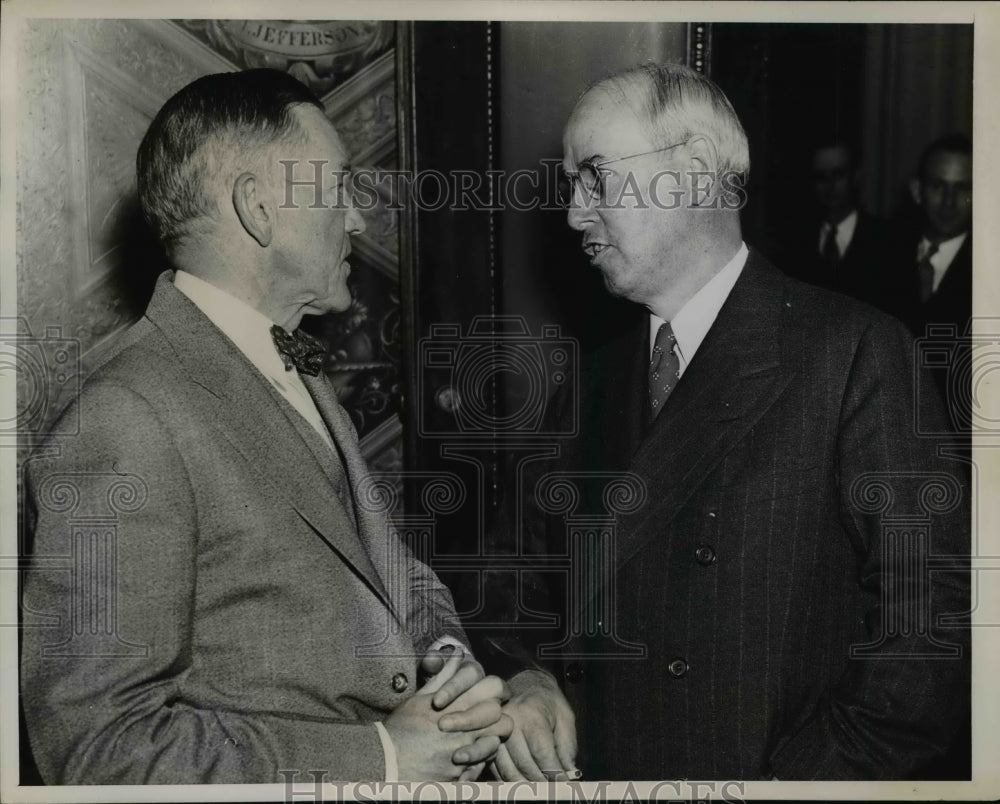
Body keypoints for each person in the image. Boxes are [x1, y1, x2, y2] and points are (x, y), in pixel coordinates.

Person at [20, 69, 515, 785]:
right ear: (257, 208)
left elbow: (388, 570)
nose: (356, 219)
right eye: (336, 188)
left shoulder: (292, 368)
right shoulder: (123, 419)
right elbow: (98, 749)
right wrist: (381, 757)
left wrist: (446, 663)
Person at [481, 62, 970, 781]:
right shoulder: (587, 382)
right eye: (571, 186)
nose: (575, 214)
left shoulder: (853, 353)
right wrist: (526, 677)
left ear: (696, 168)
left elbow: (929, 624)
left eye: (595, 177)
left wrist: (798, 786)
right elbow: (507, 578)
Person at [780, 140, 889, 308]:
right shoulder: (797, 240)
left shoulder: (884, 238)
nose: (829, 185)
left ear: (856, 176)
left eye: (838, 175)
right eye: (821, 177)